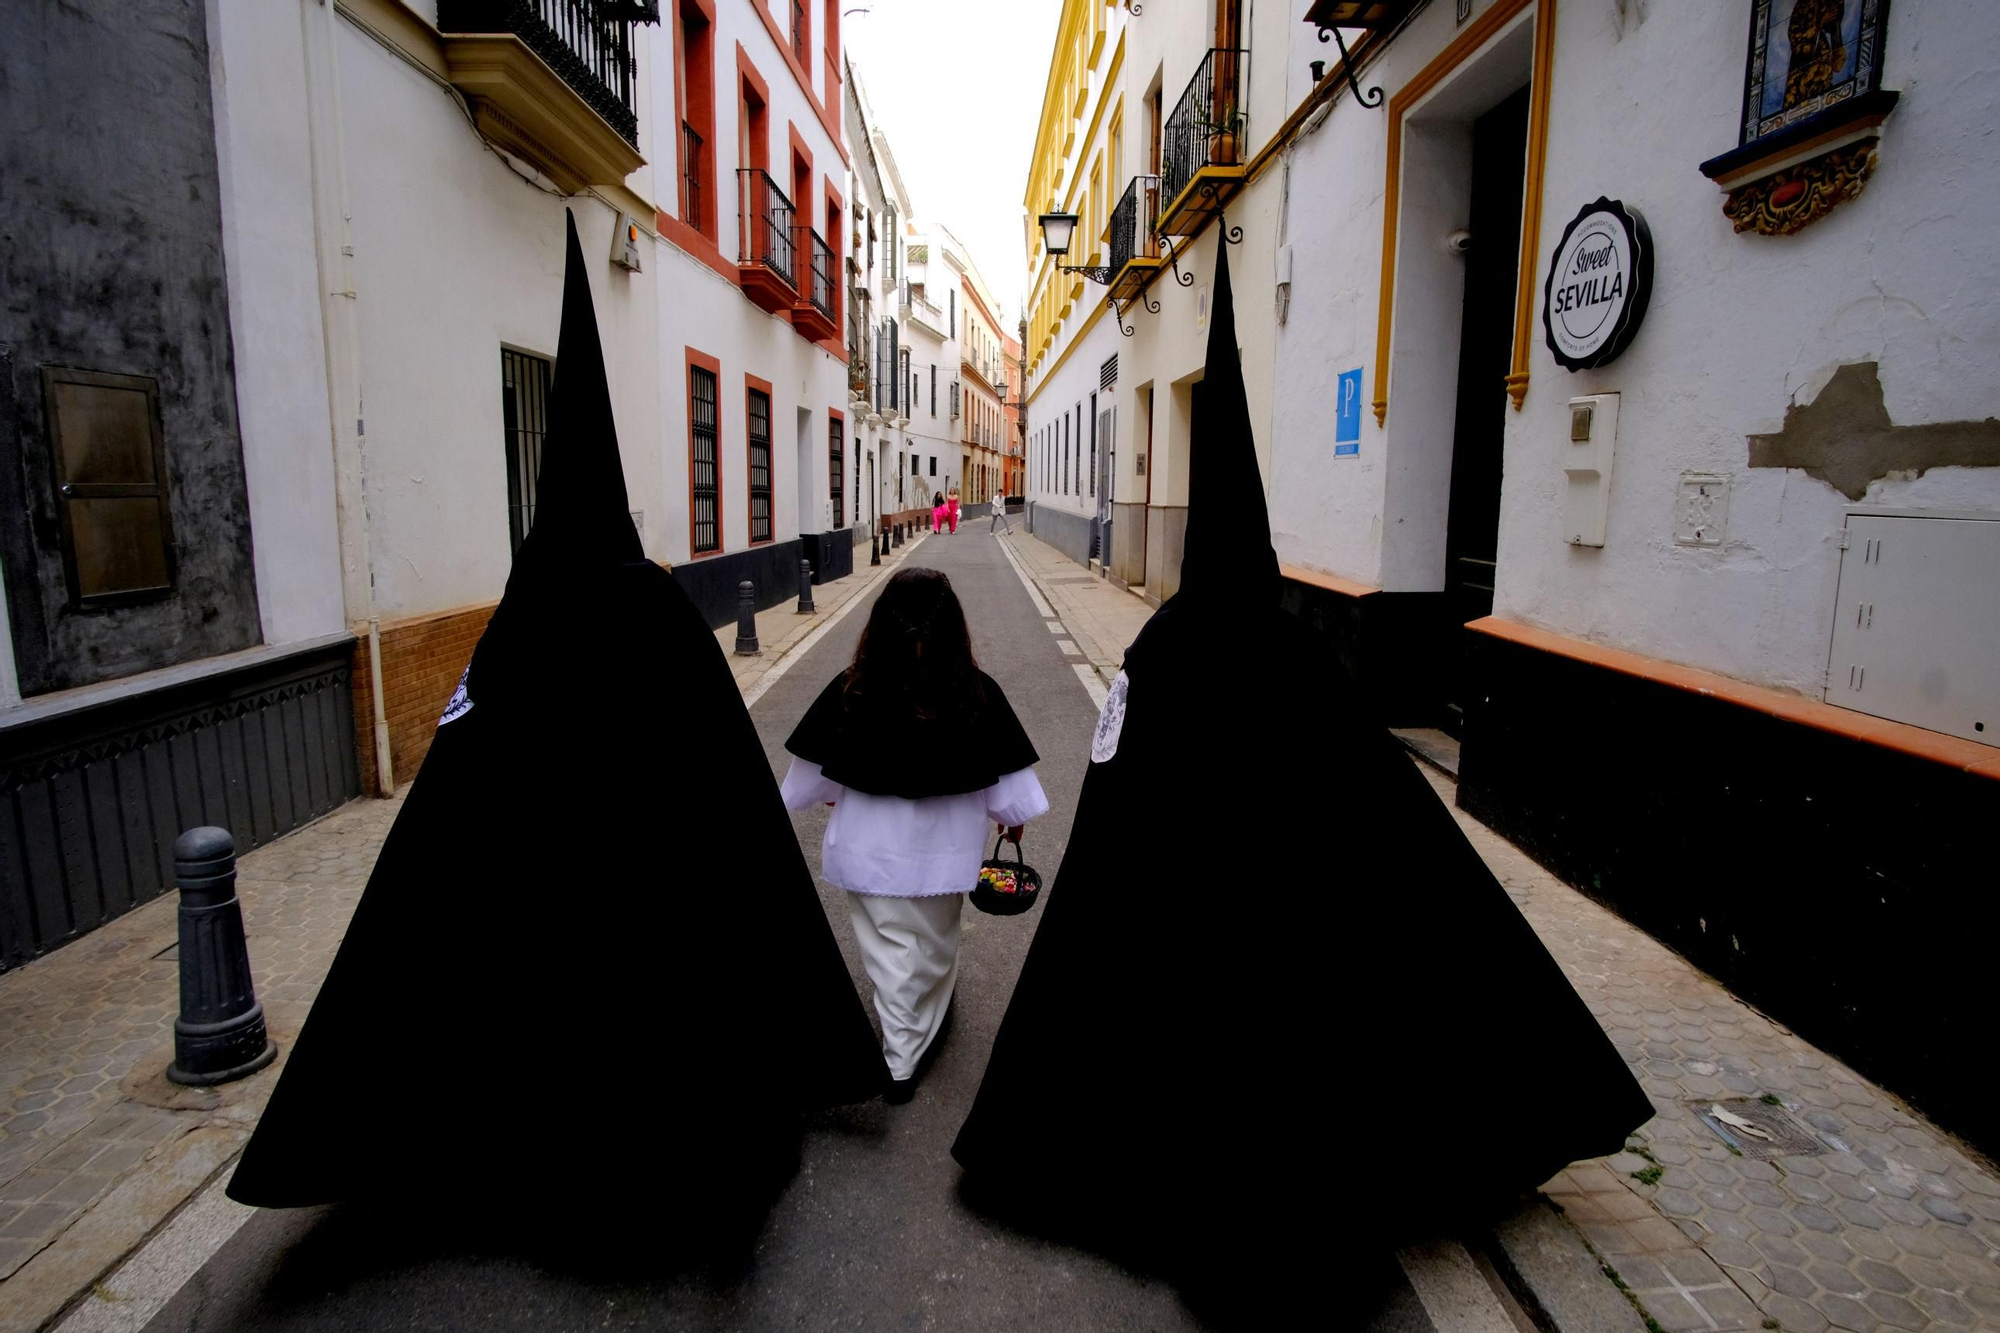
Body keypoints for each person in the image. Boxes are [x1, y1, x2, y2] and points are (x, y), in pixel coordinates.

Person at [951, 244, 1651, 1292]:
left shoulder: (1160, 649)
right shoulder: (1297, 653)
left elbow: (1112, 799)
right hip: (1289, 928)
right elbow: (1380, 812)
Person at [226, 214, 886, 1214]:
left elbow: (452, 773)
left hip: (533, 881)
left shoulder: (516, 618)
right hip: (650, 887)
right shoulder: (659, 606)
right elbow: (724, 779)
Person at [781, 568, 1047, 1104]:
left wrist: (838, 786)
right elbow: (1011, 786)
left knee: (888, 953)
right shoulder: (975, 690)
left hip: (868, 847)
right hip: (947, 853)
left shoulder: (853, 688)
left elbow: (807, 780)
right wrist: (1010, 815)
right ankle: (908, 1044)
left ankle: (902, 1044)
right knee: (933, 941)